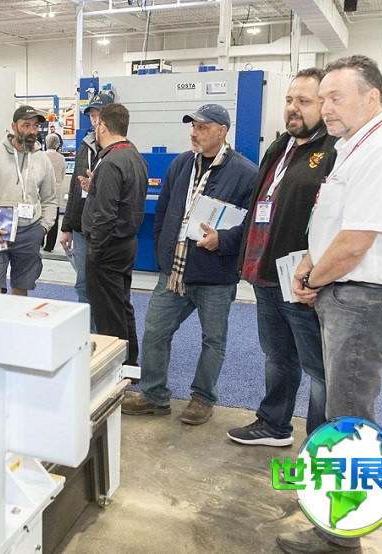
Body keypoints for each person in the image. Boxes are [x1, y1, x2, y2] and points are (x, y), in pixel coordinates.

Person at [280, 55, 382, 554]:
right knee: (344, 412)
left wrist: (310, 278)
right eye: (323, 98)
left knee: (349, 421)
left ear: (371, 98)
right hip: (350, 296)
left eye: (335, 97)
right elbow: (333, 225)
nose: (325, 108)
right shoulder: (354, 146)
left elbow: (356, 241)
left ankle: (340, 537)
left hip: (368, 302)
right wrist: (312, 266)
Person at [121, 104, 257, 425]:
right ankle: (154, 395)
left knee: (213, 340)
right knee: (155, 331)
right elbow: (165, 210)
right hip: (175, 271)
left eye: (202, 128)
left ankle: (203, 398)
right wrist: (163, 252)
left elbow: (252, 226)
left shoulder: (246, 173)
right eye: (193, 126)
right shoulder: (181, 164)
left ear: (222, 131)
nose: (194, 133)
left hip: (215, 274)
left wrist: (223, 240)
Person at [226, 68, 337, 447]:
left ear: (324, 105)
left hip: (303, 280)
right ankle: (273, 424)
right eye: (289, 100)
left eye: (304, 101)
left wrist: (316, 272)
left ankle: (322, 446)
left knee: (319, 370)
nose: (293, 108)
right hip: (266, 273)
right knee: (277, 357)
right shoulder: (279, 147)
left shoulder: (333, 151)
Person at [82, 103, 147, 366]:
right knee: (121, 305)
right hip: (125, 243)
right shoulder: (134, 156)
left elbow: (105, 214)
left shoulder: (111, 162)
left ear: (103, 126)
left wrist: (95, 251)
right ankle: (129, 362)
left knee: (108, 313)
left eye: (96, 124)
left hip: (107, 247)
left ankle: (115, 367)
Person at [0, 105, 57, 296]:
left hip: (29, 231)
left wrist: (43, 228)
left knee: (21, 288)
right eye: (26, 125)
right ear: (14, 127)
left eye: (35, 126)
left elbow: (50, 199)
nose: (32, 131)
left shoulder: (42, 159)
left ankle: (17, 317)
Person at [60, 92, 115, 307]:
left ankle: (106, 327)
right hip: (82, 230)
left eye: (99, 116)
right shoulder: (84, 147)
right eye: (92, 116)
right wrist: (67, 227)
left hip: (107, 231)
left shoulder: (120, 150)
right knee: (83, 285)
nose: (95, 121)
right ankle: (88, 326)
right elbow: (75, 189)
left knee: (106, 286)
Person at [42, 133, 66, 252]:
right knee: (54, 219)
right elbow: (62, 175)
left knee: (40, 217)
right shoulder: (61, 158)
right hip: (56, 191)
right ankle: (49, 246)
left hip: (42, 191)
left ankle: (40, 241)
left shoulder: (42, 156)